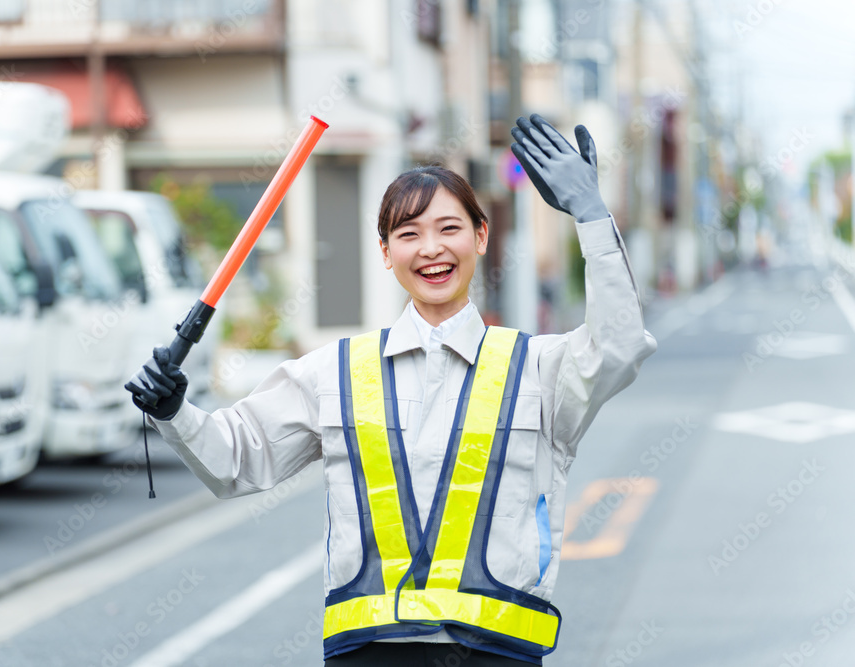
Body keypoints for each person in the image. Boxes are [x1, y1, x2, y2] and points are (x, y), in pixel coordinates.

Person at [126, 114, 657, 666]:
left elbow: (618, 345)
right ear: (385, 252)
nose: (431, 249)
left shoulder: (540, 368)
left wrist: (592, 216)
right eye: (408, 234)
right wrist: (174, 410)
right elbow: (237, 460)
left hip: (499, 654)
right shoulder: (334, 371)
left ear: (480, 237)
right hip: (368, 655)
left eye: (450, 228)